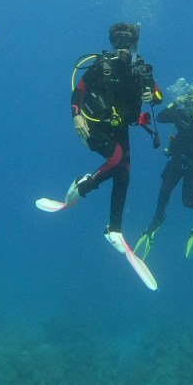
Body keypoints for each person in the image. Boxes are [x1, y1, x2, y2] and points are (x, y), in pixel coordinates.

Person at [66, 22, 163, 251]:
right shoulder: (101, 66)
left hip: (121, 128)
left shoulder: (140, 69)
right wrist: (76, 117)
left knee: (124, 175)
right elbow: (78, 91)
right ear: (111, 42)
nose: (121, 46)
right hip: (94, 127)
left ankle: (114, 229)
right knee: (118, 161)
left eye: (126, 41)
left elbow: (158, 95)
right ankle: (83, 186)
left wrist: (153, 95)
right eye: (116, 40)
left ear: (133, 43)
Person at [135, 77, 193, 261]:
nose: (190, 102)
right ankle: (156, 222)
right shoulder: (180, 114)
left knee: (187, 201)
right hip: (176, 161)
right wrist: (175, 102)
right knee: (163, 195)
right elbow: (161, 117)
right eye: (188, 99)